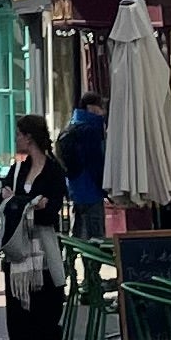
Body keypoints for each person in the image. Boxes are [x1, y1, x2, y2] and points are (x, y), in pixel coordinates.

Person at [0, 116, 70, 340]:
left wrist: (20, 203)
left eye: (18, 134)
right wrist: (29, 204)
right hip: (17, 259)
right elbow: (3, 204)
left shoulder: (53, 172)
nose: (15, 139)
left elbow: (50, 214)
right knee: (19, 324)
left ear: (29, 137)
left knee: (46, 323)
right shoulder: (17, 169)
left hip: (45, 259)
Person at [57, 93, 107, 237]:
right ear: (92, 108)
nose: (103, 112)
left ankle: (71, 258)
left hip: (75, 188)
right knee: (96, 236)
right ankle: (91, 260)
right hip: (92, 189)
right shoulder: (90, 131)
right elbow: (96, 163)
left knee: (79, 231)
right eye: (100, 107)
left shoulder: (70, 127)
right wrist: (104, 187)